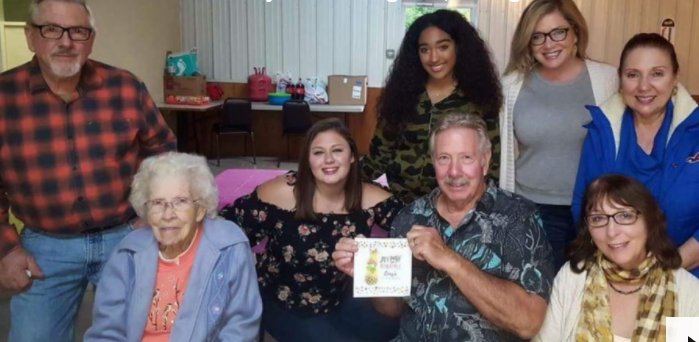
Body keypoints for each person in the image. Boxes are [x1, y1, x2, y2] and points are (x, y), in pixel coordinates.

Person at [0, 0, 177, 341]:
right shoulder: (4, 97)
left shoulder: (125, 87)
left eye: (78, 31)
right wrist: (7, 249)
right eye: (51, 29)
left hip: (125, 233)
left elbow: (163, 154)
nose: (65, 41)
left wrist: (153, 215)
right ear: (30, 37)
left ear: (91, 39)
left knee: (151, 333)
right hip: (44, 246)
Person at [334, 114, 555, 342]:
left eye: (466, 158)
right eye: (444, 158)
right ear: (433, 161)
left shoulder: (518, 216)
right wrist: (367, 273)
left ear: (485, 160)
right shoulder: (410, 217)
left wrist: (448, 259)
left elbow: (528, 323)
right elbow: (392, 309)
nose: (454, 172)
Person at [219, 118, 405, 342]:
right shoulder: (282, 192)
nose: (328, 160)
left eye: (337, 150)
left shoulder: (371, 196)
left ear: (353, 156)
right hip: (285, 301)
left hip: (339, 297)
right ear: (308, 160)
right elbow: (228, 229)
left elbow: (413, 226)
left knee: (391, 325)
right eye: (318, 153)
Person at [83, 152, 261, 342]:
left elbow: (240, 328)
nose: (168, 215)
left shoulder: (229, 247)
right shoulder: (127, 253)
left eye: (180, 202)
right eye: (157, 203)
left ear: (200, 209)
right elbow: (107, 332)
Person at [499, 0, 618, 271]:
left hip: (594, 209)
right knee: (542, 299)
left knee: (587, 299)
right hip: (531, 208)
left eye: (558, 32)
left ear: (575, 32)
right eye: (537, 36)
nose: (548, 44)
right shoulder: (511, 85)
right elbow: (500, 153)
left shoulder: (608, 80)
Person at [572, 33, 699, 277]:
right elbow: (583, 208)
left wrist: (666, 271)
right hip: (615, 277)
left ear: (675, 78)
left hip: (689, 278)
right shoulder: (602, 131)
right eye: (633, 75)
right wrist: (624, 273)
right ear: (620, 80)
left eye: (657, 73)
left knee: (684, 318)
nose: (643, 86)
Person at [536, 174, 699, 341]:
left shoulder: (686, 291)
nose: (612, 232)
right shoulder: (573, 278)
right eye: (598, 218)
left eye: (625, 216)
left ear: (649, 222)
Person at [361, 9, 502, 202]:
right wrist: (342, 184)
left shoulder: (479, 98)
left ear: (458, 47)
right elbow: (378, 156)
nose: (433, 58)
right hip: (401, 205)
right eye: (424, 49)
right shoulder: (402, 94)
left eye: (443, 47)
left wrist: (486, 207)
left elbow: (491, 161)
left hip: (457, 206)